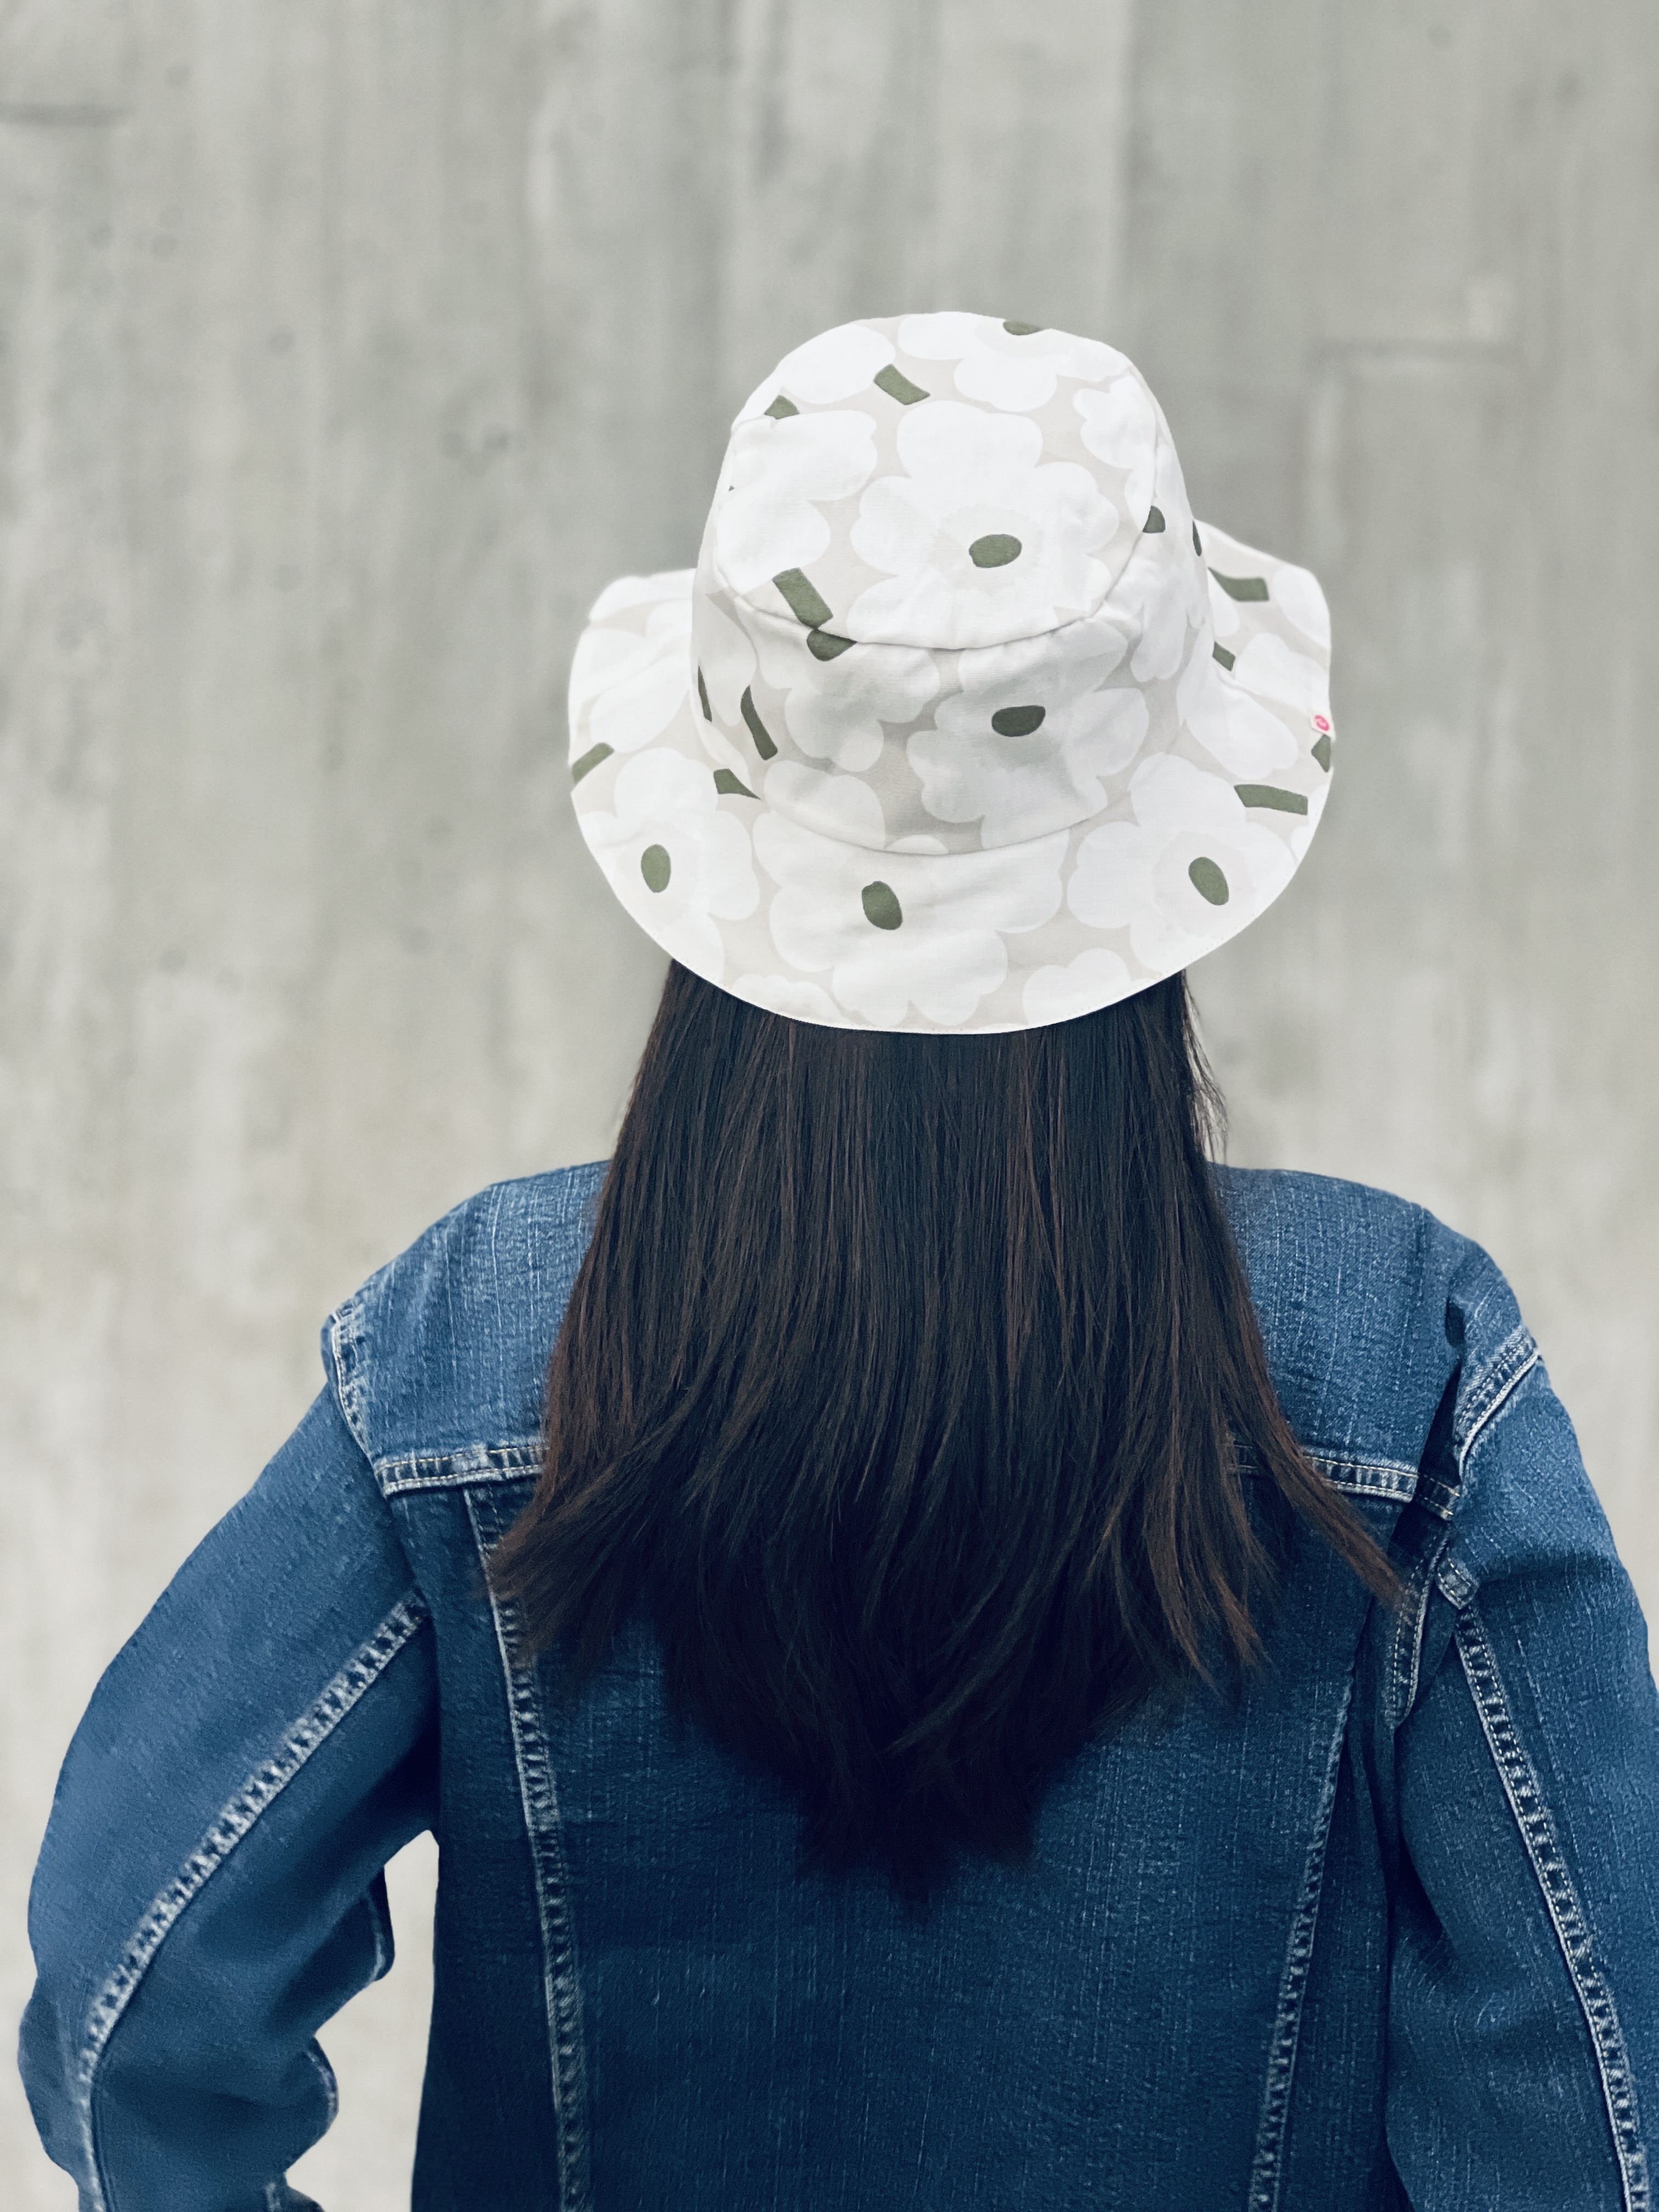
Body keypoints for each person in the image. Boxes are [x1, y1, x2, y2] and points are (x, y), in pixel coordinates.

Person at [20, 312, 1659, 2210]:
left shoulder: (473, 1352)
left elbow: (137, 1991)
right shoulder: (1408, 1368)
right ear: (1169, 820)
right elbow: (1590, 2115)